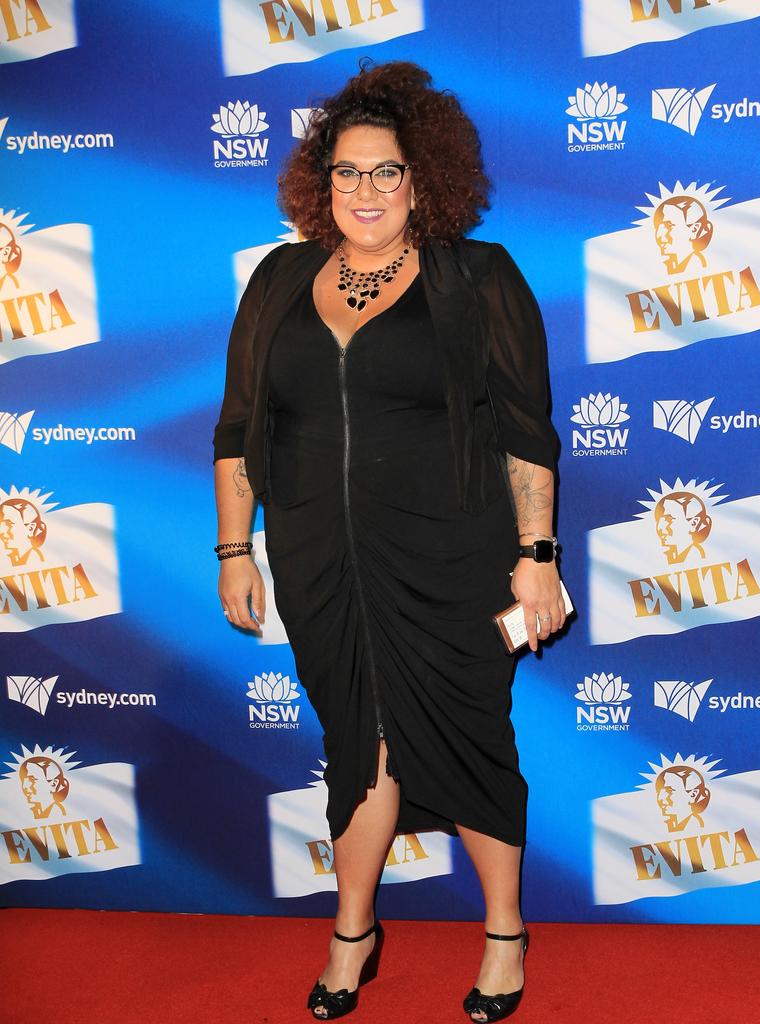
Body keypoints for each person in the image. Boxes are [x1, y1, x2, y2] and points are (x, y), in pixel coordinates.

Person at [213, 61, 565, 1023]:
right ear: (319, 185)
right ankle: (353, 932)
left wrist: (537, 558)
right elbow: (241, 425)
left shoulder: (476, 277)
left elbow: (525, 433)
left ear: (425, 181)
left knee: (469, 737)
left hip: (453, 555)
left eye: (387, 172)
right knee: (357, 744)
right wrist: (234, 551)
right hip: (320, 558)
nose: (364, 191)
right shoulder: (281, 279)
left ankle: (504, 933)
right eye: (346, 173)